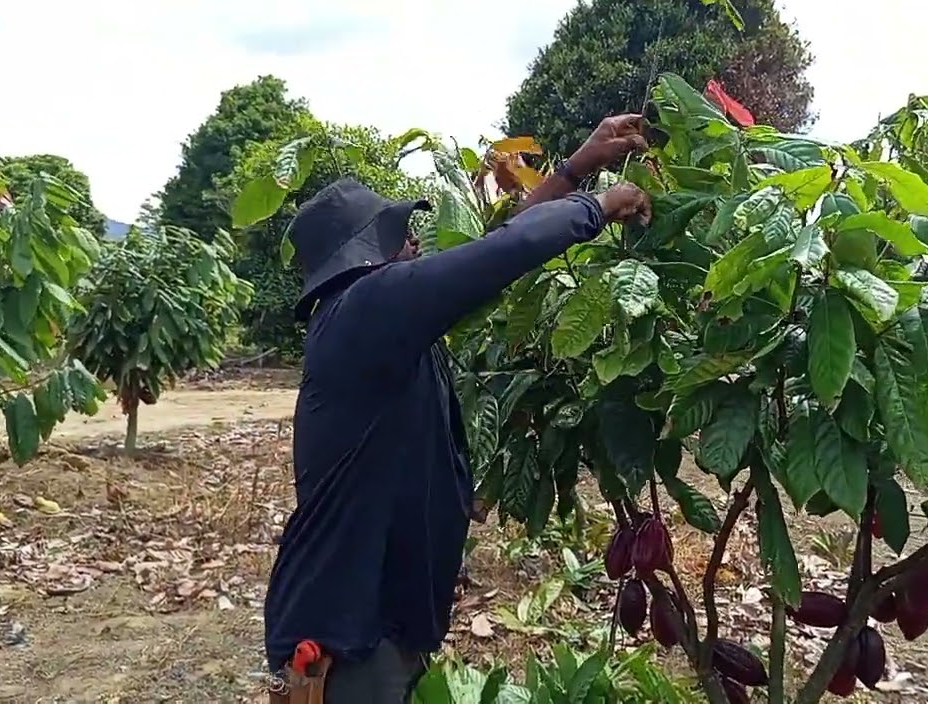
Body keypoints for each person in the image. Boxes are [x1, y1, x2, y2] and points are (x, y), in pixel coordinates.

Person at [263, 114, 653, 704]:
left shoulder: (374, 324)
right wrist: (596, 206)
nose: (416, 241)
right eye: (399, 231)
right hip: (351, 640)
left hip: (377, 620)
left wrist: (576, 168)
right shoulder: (363, 310)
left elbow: (484, 260)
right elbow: (493, 257)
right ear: (363, 253)